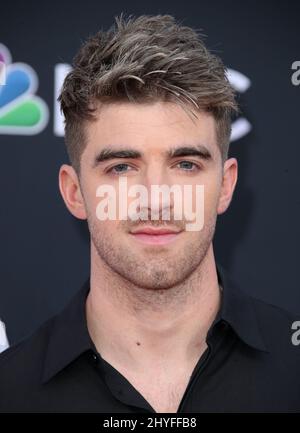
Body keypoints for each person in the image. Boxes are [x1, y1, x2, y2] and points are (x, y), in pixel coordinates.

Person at [0, 13, 299, 413]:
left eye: (186, 164)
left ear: (226, 186)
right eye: (121, 167)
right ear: (74, 192)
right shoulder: (10, 391)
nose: (155, 199)